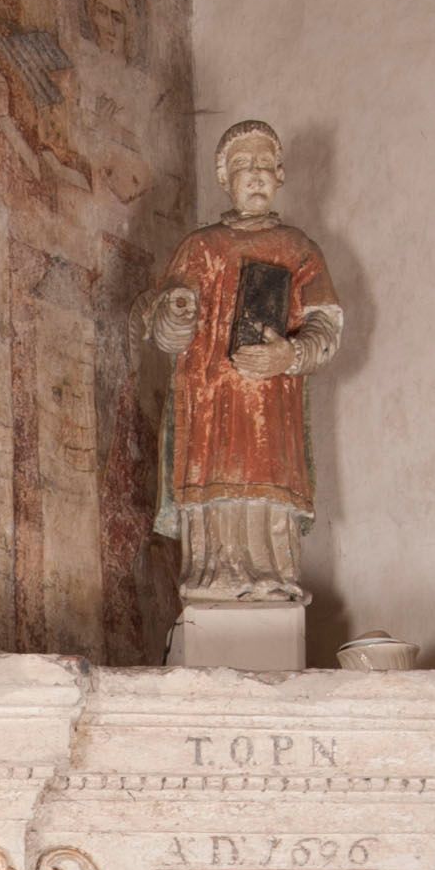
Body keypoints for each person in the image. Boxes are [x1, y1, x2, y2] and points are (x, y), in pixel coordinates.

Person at [145, 116, 343, 602]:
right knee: (213, 491)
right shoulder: (199, 247)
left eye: (264, 165)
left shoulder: (298, 249)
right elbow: (166, 330)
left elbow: (326, 324)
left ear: (280, 174)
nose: (254, 175)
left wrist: (290, 353)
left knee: (267, 485)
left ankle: (272, 578)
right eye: (241, 166)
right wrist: (176, 312)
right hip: (208, 404)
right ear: (223, 178)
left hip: (271, 405)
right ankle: (209, 579)